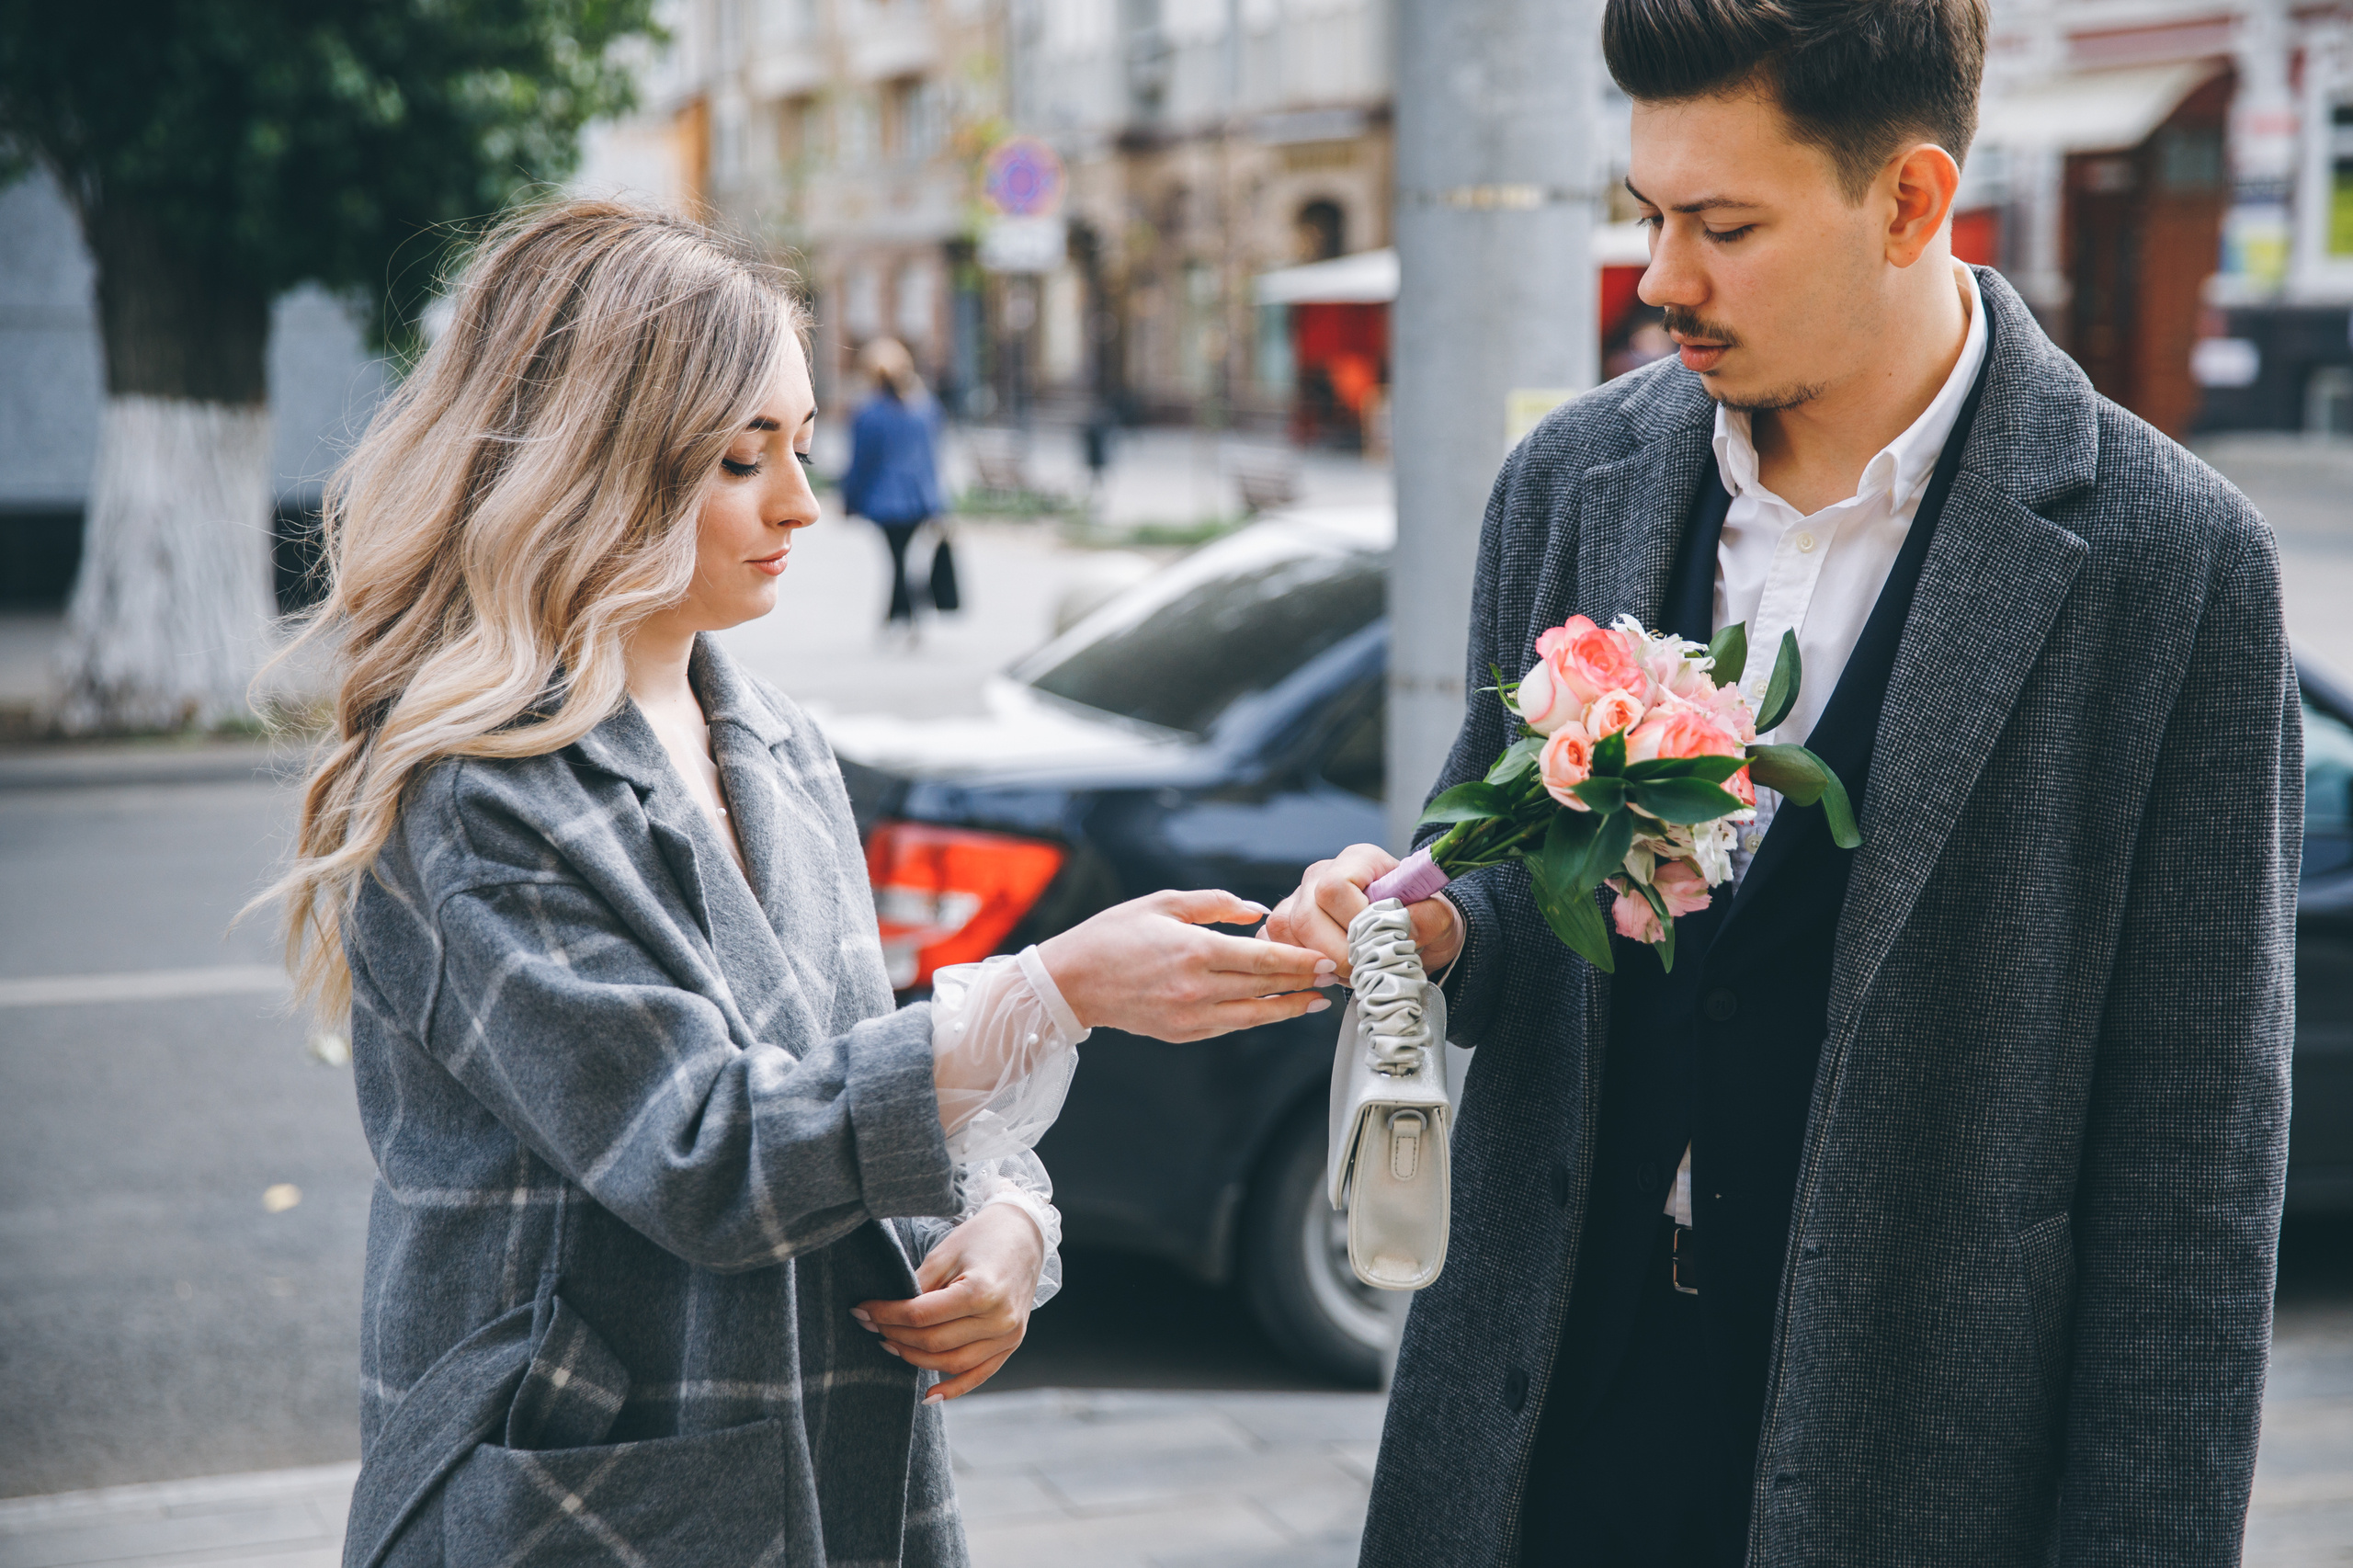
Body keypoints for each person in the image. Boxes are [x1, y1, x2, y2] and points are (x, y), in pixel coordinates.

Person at [1267, 2, 2300, 1563]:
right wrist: (1437, 924)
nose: (1664, 278)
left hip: (1917, 1472)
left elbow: (2193, 1173)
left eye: (1724, 226)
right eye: (1649, 217)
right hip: (1537, 1433)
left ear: (1911, 199)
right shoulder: (1571, 481)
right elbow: (1497, 864)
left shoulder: (2175, 564)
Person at [262, 200, 1334, 1568]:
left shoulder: (774, 735)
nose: (803, 504)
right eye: (739, 456)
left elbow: (854, 1069)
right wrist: (1052, 990)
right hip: (580, 1501)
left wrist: (1005, 1220)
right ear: (595, 464)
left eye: (806, 445)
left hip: (834, 1460)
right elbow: (704, 1148)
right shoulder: (476, 790)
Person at [841, 336, 949, 643]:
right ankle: (897, 616)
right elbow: (933, 457)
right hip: (920, 498)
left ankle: (905, 615)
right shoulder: (925, 407)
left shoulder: (868, 413)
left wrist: (850, 500)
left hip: (885, 500)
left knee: (897, 558)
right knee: (900, 558)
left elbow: (861, 462)